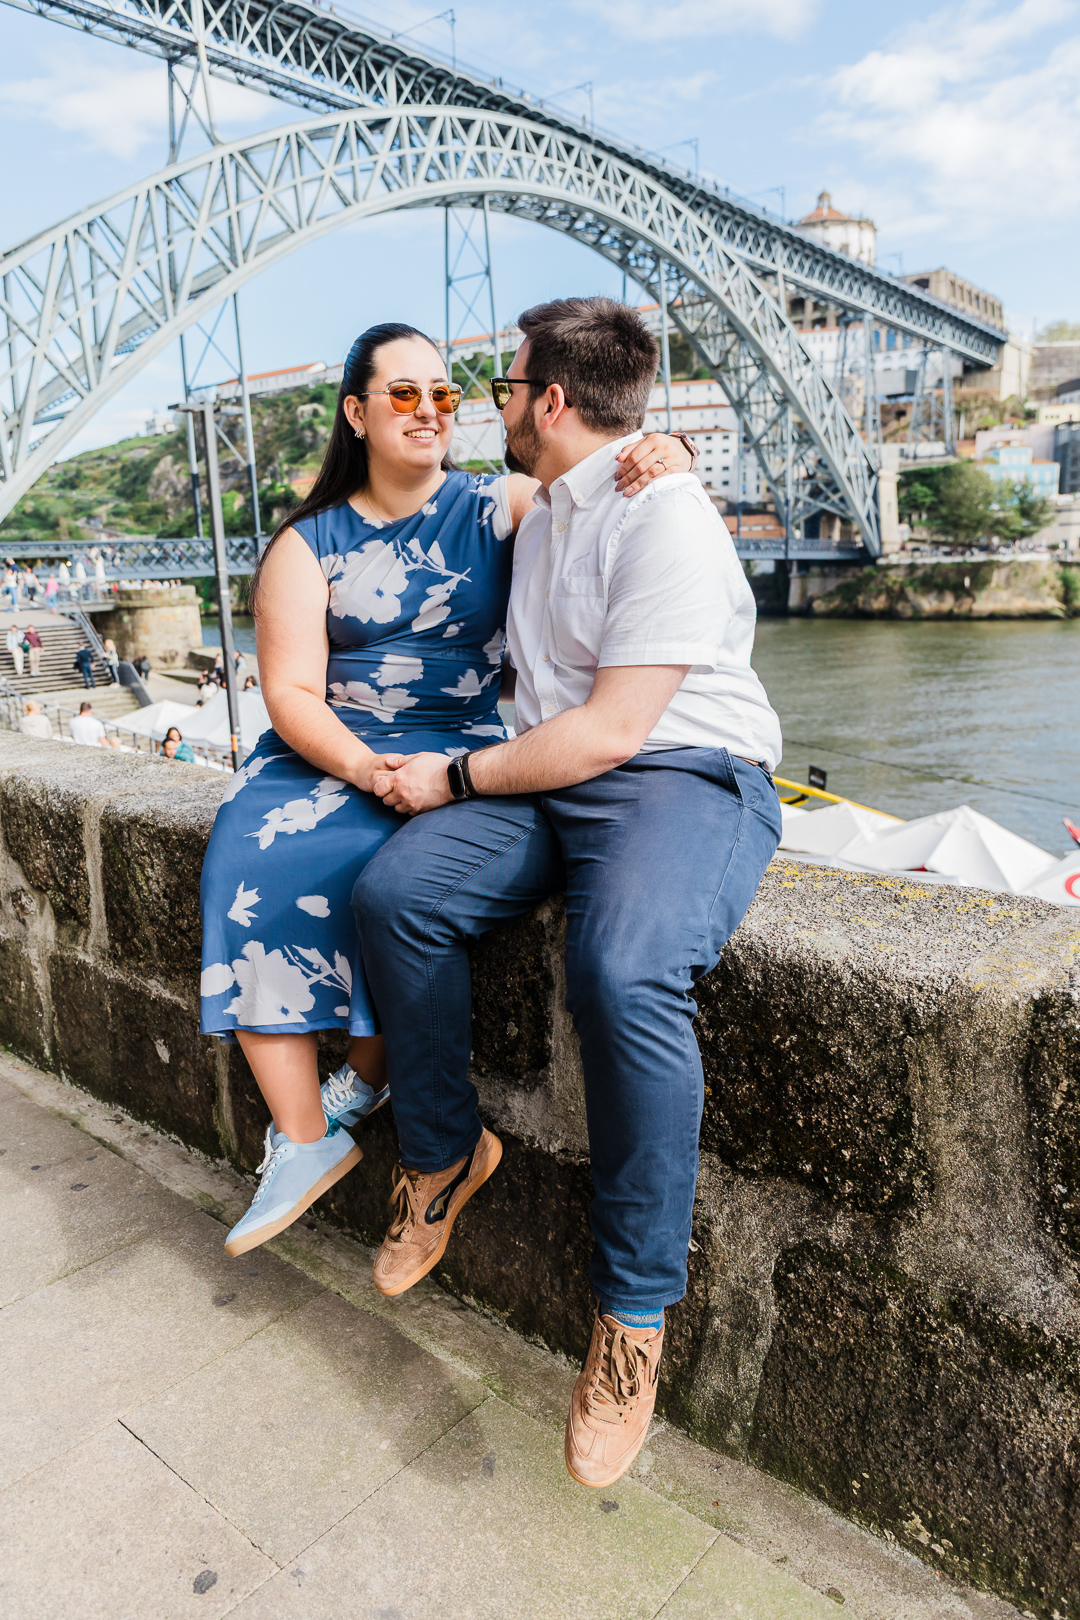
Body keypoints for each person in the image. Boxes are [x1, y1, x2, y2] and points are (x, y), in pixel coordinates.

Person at [351, 298, 783, 1490]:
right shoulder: (540, 502)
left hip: (680, 776)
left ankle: (633, 1319)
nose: (488, 403)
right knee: (394, 896)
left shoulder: (668, 517)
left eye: (503, 383)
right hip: (555, 777)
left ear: (547, 398)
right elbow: (400, 492)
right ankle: (442, 1156)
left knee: (621, 970)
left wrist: (449, 775)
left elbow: (615, 731)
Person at [197, 319, 691, 1261]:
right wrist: (360, 767)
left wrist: (668, 446)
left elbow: (598, 479)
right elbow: (291, 690)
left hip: (460, 742)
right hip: (333, 747)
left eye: (446, 395)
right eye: (405, 394)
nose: (431, 411)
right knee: (248, 858)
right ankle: (304, 1139)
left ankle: (366, 1080)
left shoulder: (500, 502)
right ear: (357, 412)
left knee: (395, 877)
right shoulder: (308, 543)